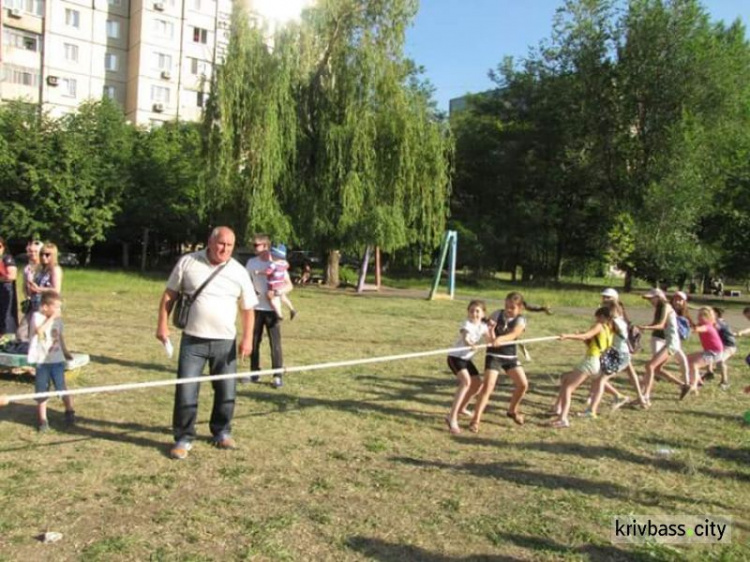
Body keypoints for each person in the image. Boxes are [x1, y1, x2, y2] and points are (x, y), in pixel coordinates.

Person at [156, 227, 257, 460]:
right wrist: (162, 324)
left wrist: (248, 338)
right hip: (193, 341)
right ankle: (183, 438)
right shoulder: (188, 262)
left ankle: (222, 432)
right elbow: (169, 295)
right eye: (221, 244)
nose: (225, 250)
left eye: (230, 246)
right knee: (186, 390)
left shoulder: (239, 271)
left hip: (225, 342)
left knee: (226, 391)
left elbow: (248, 308)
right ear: (210, 242)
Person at [464, 291, 529, 432]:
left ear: (520, 308)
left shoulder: (521, 319)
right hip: (494, 355)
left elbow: (515, 334)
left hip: (509, 356)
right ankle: (475, 421)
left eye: (512, 307)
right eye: (506, 306)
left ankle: (512, 410)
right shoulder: (497, 314)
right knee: (488, 387)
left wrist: (501, 339)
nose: (508, 310)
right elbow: (486, 327)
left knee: (523, 384)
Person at [548, 305, 613, 429]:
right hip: (595, 362)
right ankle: (558, 408)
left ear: (602, 317)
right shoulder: (607, 328)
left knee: (568, 388)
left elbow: (586, 336)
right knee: (565, 378)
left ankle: (563, 418)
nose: (595, 320)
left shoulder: (599, 325)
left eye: (597, 317)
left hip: (591, 361)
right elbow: (593, 343)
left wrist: (567, 336)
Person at [246, 234, 292, 389]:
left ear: (266, 246)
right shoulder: (251, 263)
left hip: (272, 310)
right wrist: (252, 292)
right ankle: (254, 372)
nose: (254, 248)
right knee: (254, 341)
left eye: (256, 245)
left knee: (275, 343)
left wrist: (278, 293)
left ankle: (277, 375)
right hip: (256, 308)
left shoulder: (278, 263)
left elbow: (289, 285)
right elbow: (245, 283)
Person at [28, 291, 74, 432]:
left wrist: (66, 352)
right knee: (42, 391)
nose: (58, 311)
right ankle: (43, 420)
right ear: (45, 306)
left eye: (60, 307)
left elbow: (60, 337)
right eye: (56, 307)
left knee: (62, 387)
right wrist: (52, 317)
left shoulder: (58, 321)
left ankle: (69, 410)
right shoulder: (37, 317)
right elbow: (40, 331)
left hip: (57, 361)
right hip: (42, 362)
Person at [445, 300, 489, 435]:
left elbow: (491, 340)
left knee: (477, 384)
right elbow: (465, 336)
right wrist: (469, 343)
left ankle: (462, 408)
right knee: (466, 382)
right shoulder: (467, 324)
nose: (474, 314)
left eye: (477, 311)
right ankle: (452, 417)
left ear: (483, 314)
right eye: (471, 311)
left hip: (466, 359)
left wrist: (492, 330)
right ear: (468, 312)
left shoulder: (483, 326)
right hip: (455, 358)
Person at [637, 288, 689, 403]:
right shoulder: (661, 307)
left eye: (652, 298)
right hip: (671, 342)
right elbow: (657, 324)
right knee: (657, 369)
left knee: (650, 367)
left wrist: (645, 328)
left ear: (658, 297)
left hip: (671, 343)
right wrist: (645, 327)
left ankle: (646, 396)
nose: (650, 301)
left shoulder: (666, 306)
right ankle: (683, 385)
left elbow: (660, 325)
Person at [683, 307, 723, 399]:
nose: (700, 317)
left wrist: (687, 329)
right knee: (686, 360)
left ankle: (693, 386)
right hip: (709, 351)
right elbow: (694, 327)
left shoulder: (707, 326)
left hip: (715, 353)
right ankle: (698, 381)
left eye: (703, 315)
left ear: (709, 317)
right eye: (699, 315)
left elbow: (697, 329)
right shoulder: (702, 324)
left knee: (694, 365)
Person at [266, 244, 297, 320]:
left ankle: (279, 315)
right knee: (283, 297)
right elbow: (287, 266)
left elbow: (268, 272)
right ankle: (292, 309)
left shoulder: (274, 264)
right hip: (281, 284)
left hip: (275, 285)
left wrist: (260, 272)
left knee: (273, 298)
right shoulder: (283, 264)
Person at [712, 307, 736, 390]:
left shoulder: (719, 322)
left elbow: (714, 329)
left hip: (728, 347)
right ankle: (711, 372)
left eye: (711, 313)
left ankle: (725, 382)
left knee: (720, 360)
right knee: (717, 360)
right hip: (724, 346)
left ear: (716, 314)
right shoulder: (721, 321)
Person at [0, 237, 19, 339]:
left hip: (5, 291)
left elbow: (12, 276)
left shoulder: (7, 258)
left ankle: (7, 338)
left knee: (6, 315)